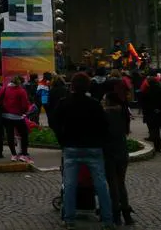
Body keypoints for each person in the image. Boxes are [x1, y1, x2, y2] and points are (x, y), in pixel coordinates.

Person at [52, 73, 114, 230]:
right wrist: (101, 141)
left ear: (72, 86)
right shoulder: (94, 104)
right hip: (93, 148)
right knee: (101, 185)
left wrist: (62, 140)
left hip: (71, 147)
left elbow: (54, 122)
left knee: (70, 185)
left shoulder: (64, 103)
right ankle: (108, 220)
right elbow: (105, 125)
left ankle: (69, 219)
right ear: (87, 86)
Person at [102, 91, 135, 226]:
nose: (103, 101)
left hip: (109, 152)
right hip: (122, 151)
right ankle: (126, 213)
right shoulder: (123, 112)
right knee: (121, 183)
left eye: (104, 99)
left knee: (112, 184)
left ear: (109, 101)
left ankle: (116, 214)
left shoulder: (105, 114)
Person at [0, 76, 32, 162]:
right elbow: (25, 105)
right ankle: (24, 154)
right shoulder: (21, 91)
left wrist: (4, 106)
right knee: (24, 134)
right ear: (20, 83)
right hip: (18, 116)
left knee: (10, 135)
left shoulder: (4, 88)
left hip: (5, 116)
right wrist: (24, 112)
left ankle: (14, 155)